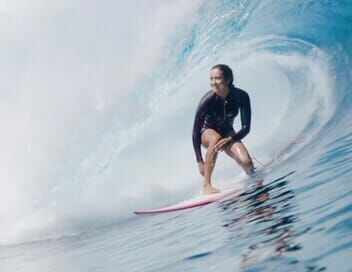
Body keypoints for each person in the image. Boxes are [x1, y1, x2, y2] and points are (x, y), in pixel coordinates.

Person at [192, 64, 254, 194]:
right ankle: (207, 186)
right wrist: (199, 160)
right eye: (211, 78)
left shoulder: (241, 96)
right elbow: (195, 131)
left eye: (218, 78)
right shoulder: (208, 99)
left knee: (247, 163)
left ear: (228, 79)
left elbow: (246, 128)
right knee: (215, 138)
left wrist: (230, 139)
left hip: (227, 134)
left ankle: (252, 176)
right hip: (207, 133)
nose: (213, 83)